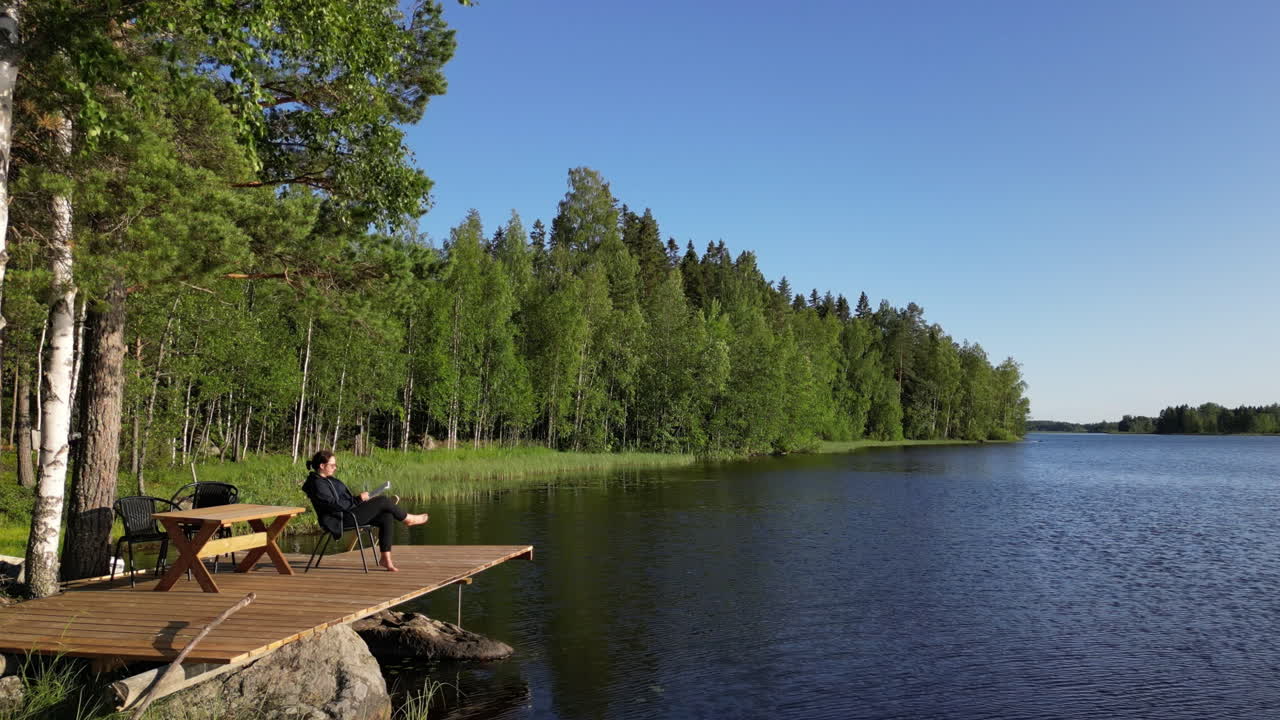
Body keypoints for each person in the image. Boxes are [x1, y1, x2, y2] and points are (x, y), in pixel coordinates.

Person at [302, 449, 429, 572]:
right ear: (322, 465)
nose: (335, 467)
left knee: (386, 516)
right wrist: (358, 499)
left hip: (347, 513)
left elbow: (343, 501)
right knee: (383, 500)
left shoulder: (328, 480)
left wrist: (359, 499)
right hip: (339, 520)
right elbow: (335, 505)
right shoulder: (317, 484)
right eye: (332, 465)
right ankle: (408, 519)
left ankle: (385, 559)